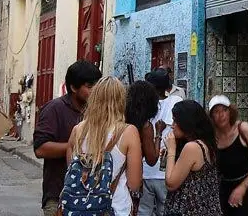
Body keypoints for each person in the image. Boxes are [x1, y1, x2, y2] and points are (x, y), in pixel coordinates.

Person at [65, 76, 142, 216]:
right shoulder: (128, 132)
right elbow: (134, 184)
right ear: (121, 101)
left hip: (79, 208)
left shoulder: (78, 130)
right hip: (116, 208)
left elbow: (72, 171)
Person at [33, 61, 102, 216]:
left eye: (97, 86)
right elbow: (40, 149)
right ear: (73, 87)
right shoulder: (54, 109)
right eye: (90, 86)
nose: (95, 91)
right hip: (59, 195)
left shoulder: (97, 111)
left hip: (92, 197)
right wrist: (77, 147)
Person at [209, 95, 248, 216]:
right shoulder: (212, 136)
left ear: (230, 112)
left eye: (224, 110)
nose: (221, 115)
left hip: (247, 186)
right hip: (224, 188)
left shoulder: (243, 129)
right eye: (216, 112)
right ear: (211, 116)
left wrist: (243, 187)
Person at [163, 100, 223, 216]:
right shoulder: (206, 142)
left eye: (176, 121)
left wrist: (171, 150)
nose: (172, 125)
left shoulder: (192, 147)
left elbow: (171, 183)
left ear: (186, 123)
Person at [139, 69, 183, 216]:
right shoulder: (174, 102)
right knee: (163, 210)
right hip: (162, 172)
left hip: (149, 171)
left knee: (145, 211)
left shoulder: (145, 106)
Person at [125, 81, 162, 214]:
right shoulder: (145, 126)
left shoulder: (122, 120)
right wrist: (158, 134)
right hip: (134, 178)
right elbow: (152, 159)